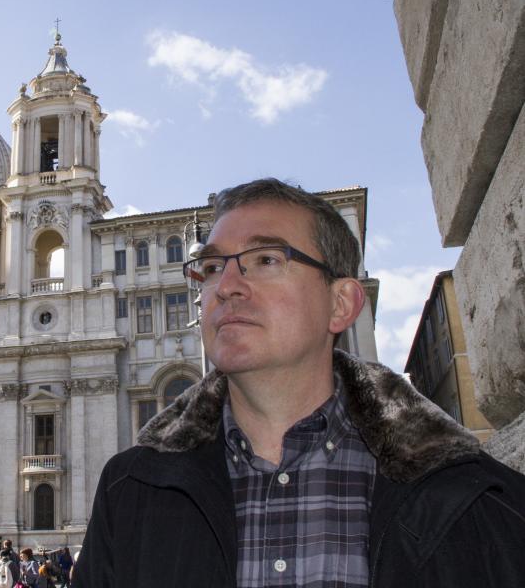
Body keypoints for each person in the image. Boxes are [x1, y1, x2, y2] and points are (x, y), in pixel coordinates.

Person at [74, 178, 525, 587]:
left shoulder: (482, 499)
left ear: (341, 303)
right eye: (211, 268)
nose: (226, 284)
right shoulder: (128, 490)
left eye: (265, 259)